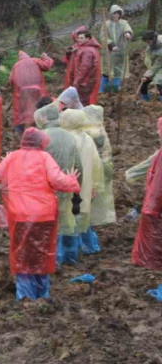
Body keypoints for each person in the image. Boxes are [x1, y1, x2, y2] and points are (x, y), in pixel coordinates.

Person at [0, 128, 80, 300]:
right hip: (43, 215)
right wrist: (72, 181)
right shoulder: (44, 158)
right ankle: (42, 295)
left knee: (22, 255)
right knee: (41, 254)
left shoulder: (12, 157)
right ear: (41, 142)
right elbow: (57, 180)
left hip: (19, 215)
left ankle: (25, 297)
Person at [34, 100, 83, 267]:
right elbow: (78, 165)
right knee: (66, 221)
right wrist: (78, 187)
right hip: (66, 184)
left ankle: (49, 259)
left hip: (46, 187)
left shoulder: (41, 137)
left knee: (47, 224)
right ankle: (69, 258)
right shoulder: (69, 136)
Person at [60, 109, 104, 261]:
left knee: (70, 218)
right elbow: (97, 164)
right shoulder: (87, 138)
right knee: (83, 215)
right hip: (86, 183)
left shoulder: (67, 139)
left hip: (72, 182)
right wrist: (95, 185)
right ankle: (89, 246)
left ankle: (71, 253)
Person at [82, 105, 117, 254]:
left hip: (96, 171)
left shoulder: (93, 132)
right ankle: (90, 237)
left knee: (86, 206)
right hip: (104, 169)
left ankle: (88, 242)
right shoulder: (100, 129)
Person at [132, 116, 162, 271]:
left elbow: (158, 187)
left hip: (156, 208)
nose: (158, 132)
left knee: (155, 244)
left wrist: (150, 209)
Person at [9, 51, 54, 135]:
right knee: (38, 108)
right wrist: (45, 57)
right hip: (37, 90)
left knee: (22, 112)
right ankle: (40, 127)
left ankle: (22, 132)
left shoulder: (15, 66)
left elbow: (11, 80)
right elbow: (47, 66)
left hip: (22, 92)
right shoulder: (35, 60)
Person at [102, 5, 133, 92]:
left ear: (119, 14)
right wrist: (111, 45)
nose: (115, 15)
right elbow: (103, 36)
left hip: (120, 51)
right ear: (111, 14)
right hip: (109, 52)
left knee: (118, 70)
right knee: (106, 70)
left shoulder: (124, 23)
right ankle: (104, 90)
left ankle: (114, 90)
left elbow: (128, 29)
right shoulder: (106, 24)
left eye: (117, 13)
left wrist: (127, 34)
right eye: (113, 13)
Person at [69, 29, 102, 106]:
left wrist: (77, 80)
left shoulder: (87, 51)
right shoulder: (86, 48)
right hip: (86, 80)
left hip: (84, 81)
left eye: (81, 38)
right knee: (83, 100)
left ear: (88, 39)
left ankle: (83, 115)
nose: (79, 40)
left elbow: (85, 67)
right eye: (78, 38)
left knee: (82, 101)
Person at [139, 31, 162, 102]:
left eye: (148, 41)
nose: (147, 43)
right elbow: (150, 60)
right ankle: (145, 100)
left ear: (153, 39)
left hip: (158, 66)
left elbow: (157, 65)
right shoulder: (150, 47)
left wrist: (147, 75)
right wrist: (147, 76)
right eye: (146, 42)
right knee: (142, 82)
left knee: (159, 83)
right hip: (155, 67)